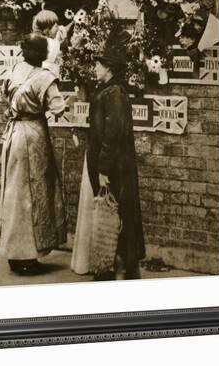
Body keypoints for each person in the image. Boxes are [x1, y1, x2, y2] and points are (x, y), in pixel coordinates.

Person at [71, 40, 145, 280]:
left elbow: (111, 136)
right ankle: (117, 265)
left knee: (115, 213)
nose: (95, 68)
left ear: (109, 68)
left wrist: (102, 168)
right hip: (116, 165)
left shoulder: (113, 94)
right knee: (116, 211)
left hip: (114, 167)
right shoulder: (112, 91)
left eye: (98, 64)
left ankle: (116, 268)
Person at [0, 34, 67, 276]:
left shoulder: (15, 70)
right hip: (33, 134)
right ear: (44, 55)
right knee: (32, 193)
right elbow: (58, 108)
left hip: (13, 134)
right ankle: (26, 255)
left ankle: (13, 254)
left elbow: (3, 94)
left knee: (14, 192)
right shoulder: (45, 77)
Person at [32, 9, 72, 77]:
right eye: (56, 26)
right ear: (47, 28)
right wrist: (65, 35)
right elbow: (61, 45)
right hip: (45, 79)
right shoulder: (51, 43)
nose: (58, 29)